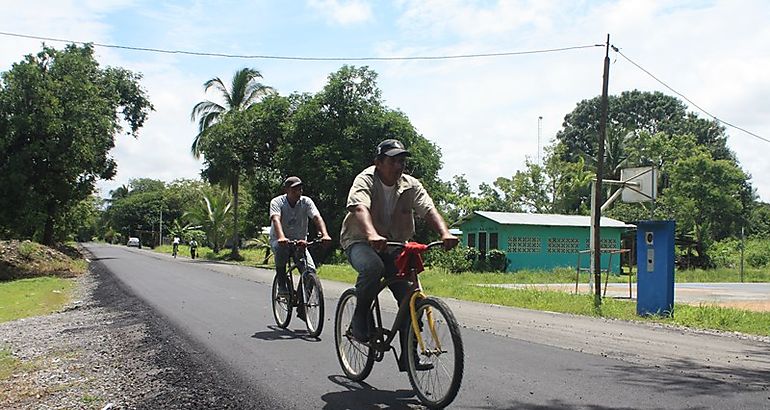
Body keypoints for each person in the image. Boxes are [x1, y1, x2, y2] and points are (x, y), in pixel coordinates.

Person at [340, 139, 458, 368]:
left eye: (401, 161)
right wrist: (372, 235)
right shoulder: (365, 179)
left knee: (412, 297)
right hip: (359, 241)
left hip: (395, 245)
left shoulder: (410, 184)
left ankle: (409, 356)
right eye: (393, 161)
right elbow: (359, 208)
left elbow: (428, 209)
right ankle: (359, 319)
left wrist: (445, 233)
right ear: (378, 162)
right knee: (373, 267)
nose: (398, 166)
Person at [269, 176, 332, 310]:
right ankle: (281, 283)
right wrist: (281, 238)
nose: (298, 192)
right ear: (286, 190)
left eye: (300, 189)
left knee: (310, 270)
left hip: (300, 242)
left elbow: (316, 217)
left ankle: (303, 304)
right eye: (294, 189)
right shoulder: (277, 202)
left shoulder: (306, 202)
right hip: (280, 240)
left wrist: (325, 234)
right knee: (281, 250)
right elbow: (276, 219)